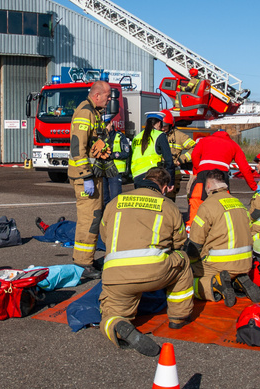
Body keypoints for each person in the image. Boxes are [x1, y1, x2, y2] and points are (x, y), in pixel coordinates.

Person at [98, 167, 194, 356]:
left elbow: (103, 234)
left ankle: (118, 325)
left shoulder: (116, 201)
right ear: (165, 187)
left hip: (116, 275)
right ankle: (178, 317)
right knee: (182, 261)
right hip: (154, 272)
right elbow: (179, 242)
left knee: (110, 315)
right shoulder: (168, 205)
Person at [188, 169, 260, 306]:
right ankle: (236, 281)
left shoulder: (207, 206)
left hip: (219, 265)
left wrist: (189, 262)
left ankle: (215, 284)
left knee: (186, 281)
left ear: (208, 185)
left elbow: (195, 243)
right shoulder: (238, 203)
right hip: (245, 264)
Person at [67, 81, 112, 278]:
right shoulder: (86, 112)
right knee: (89, 219)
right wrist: (86, 175)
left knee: (93, 217)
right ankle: (83, 264)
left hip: (93, 174)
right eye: (107, 96)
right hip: (86, 176)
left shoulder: (94, 112)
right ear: (97, 96)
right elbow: (78, 147)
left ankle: (86, 260)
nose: (109, 99)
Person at [187, 130, 258, 229]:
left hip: (203, 173)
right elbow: (244, 168)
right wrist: (253, 186)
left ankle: (191, 229)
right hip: (221, 176)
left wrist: (197, 170)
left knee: (197, 201)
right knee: (223, 203)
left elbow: (195, 155)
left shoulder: (204, 141)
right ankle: (221, 228)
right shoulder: (233, 145)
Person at [130, 112, 174, 186]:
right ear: (159, 123)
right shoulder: (159, 135)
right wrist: (170, 182)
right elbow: (169, 160)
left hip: (136, 176)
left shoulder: (136, 137)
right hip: (153, 175)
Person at [160, 109, 195, 200]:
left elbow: (195, 148)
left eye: (165, 126)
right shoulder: (156, 135)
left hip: (173, 172)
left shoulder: (179, 136)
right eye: (161, 126)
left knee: (170, 200)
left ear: (171, 124)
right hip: (158, 172)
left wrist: (182, 159)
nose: (163, 129)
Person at [101, 115, 132, 207]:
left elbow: (126, 153)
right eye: (103, 125)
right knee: (103, 199)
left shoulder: (119, 136)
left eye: (106, 125)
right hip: (102, 170)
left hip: (115, 171)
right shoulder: (100, 137)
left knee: (115, 198)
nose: (105, 127)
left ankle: (114, 218)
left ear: (111, 123)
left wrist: (112, 155)